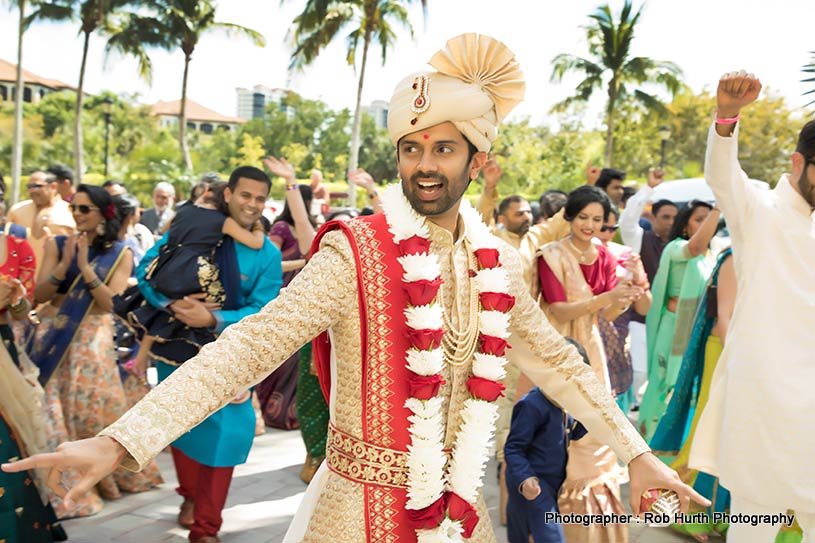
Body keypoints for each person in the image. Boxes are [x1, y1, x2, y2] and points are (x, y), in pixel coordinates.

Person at [2, 33, 707, 543]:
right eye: (410, 148)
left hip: (460, 513)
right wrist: (125, 439)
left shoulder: (494, 260)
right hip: (354, 513)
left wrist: (639, 455)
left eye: (442, 148)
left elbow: (556, 361)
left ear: (477, 159)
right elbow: (249, 345)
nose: (423, 166)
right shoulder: (356, 249)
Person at [687, 71, 815, 542]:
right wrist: (726, 119)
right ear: (799, 162)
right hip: (763, 402)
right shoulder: (759, 212)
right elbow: (723, 176)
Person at [132, 167, 282, 543]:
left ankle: (206, 527)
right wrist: (171, 302)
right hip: (176, 349)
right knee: (182, 430)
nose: (252, 204)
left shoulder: (266, 254)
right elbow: (146, 270)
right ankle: (189, 496)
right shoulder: (190, 230)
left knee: (226, 435)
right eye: (245, 195)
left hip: (230, 357)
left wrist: (214, 318)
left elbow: (264, 310)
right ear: (228, 194)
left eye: (259, 198)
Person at [29, 185, 162, 518]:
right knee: (54, 410)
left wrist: (86, 268)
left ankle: (106, 473)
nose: (77, 215)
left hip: (92, 338)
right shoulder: (58, 244)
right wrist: (65, 263)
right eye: (75, 208)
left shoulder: (121, 252)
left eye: (85, 209)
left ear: (103, 213)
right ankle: (66, 483)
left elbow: (111, 304)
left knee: (90, 409)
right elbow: (39, 295)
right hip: (54, 335)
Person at [537, 185, 650, 542]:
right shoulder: (550, 255)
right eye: (583, 217)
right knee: (553, 430)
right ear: (569, 217)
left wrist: (624, 294)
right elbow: (557, 308)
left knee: (593, 428)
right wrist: (607, 297)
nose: (589, 225)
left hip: (593, 346)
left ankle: (596, 523)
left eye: (597, 219)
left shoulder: (604, 254)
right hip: (556, 345)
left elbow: (609, 310)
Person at [115, 181, 265, 375]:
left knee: (167, 310)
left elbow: (164, 235)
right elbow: (255, 242)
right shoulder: (223, 221)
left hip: (167, 268)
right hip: (195, 272)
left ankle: (141, 359)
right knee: (217, 302)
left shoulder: (184, 214)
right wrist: (259, 226)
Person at [651, 248, 734, 541]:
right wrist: (739, 366)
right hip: (727, 352)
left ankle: (726, 514)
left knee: (736, 435)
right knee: (710, 427)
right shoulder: (736, 258)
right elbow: (726, 317)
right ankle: (685, 509)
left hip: (756, 358)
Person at [0, 210, 67, 542]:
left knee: (15, 438)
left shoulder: (17, 247)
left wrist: (14, 300)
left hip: (4, 358)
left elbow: (23, 313)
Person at [638, 200, 721, 441]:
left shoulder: (713, 257)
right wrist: (718, 209)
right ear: (684, 225)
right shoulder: (677, 248)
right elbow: (693, 248)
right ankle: (650, 446)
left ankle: (679, 447)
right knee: (665, 384)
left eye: (710, 219)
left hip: (698, 332)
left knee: (689, 388)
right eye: (700, 219)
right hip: (673, 330)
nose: (707, 224)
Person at [504, 338, 589, 543]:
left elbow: (572, 434)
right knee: (548, 536)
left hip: (551, 484)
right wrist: (525, 478)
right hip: (533, 481)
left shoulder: (563, 404)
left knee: (521, 531)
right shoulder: (532, 405)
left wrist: (591, 418)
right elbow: (513, 448)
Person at [256, 173, 316, 432]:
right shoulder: (279, 229)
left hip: (306, 300)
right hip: (283, 297)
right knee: (280, 357)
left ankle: (291, 414)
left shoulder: (311, 229)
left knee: (296, 361)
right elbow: (270, 262)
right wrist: (302, 264)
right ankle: (272, 410)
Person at [7, 170, 76, 274]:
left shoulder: (70, 211)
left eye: (37, 186)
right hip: (19, 280)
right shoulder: (16, 210)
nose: (32, 190)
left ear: (53, 187)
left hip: (54, 281)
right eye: (29, 187)